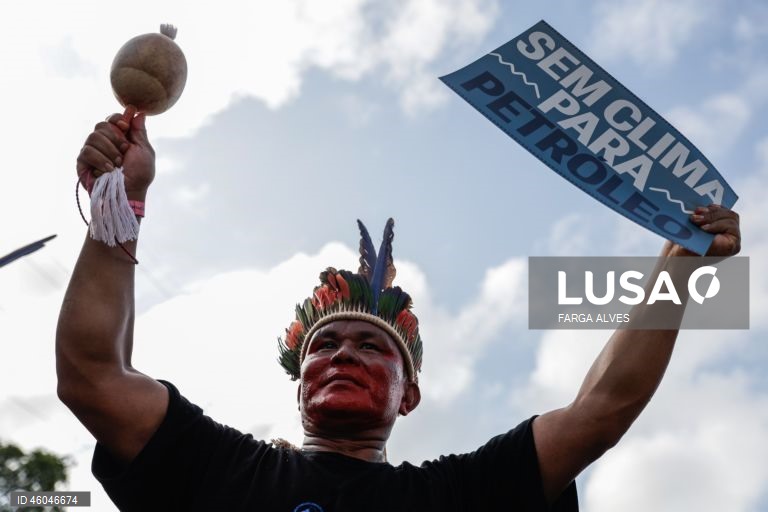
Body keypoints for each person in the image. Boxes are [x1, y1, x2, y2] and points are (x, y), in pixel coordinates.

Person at [57, 107, 742, 512]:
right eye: (325, 345)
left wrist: (678, 265)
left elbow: (602, 410)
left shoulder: (460, 496)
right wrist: (122, 201)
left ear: (408, 395)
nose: (343, 353)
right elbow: (93, 376)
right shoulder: (225, 470)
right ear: (300, 387)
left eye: (370, 345)